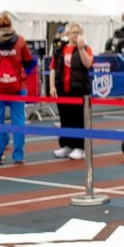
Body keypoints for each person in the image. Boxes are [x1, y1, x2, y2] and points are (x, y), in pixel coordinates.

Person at [0, 13, 36, 166]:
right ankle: (18, 156)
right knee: (18, 122)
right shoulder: (20, 40)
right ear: (11, 25)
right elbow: (29, 61)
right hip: (18, 86)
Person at [53, 21, 93, 157]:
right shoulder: (60, 50)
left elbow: (88, 64)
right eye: (73, 32)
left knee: (78, 119)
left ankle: (80, 147)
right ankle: (67, 145)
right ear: (68, 34)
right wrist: (52, 86)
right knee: (65, 119)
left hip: (79, 89)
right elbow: (53, 68)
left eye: (78, 32)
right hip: (63, 90)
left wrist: (81, 49)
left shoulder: (86, 48)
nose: (76, 35)